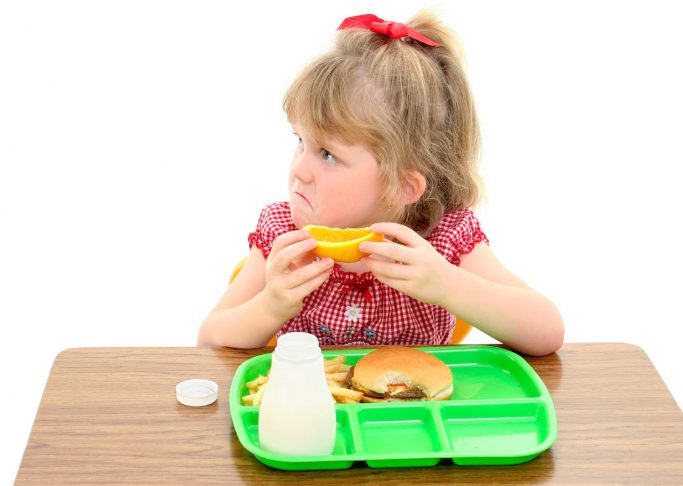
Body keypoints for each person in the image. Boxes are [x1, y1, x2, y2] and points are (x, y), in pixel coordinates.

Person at [198, 12, 564, 356]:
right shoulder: (284, 236)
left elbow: (546, 330)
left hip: (414, 420)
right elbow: (209, 341)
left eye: (327, 154)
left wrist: (448, 284)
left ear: (402, 187)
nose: (300, 170)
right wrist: (270, 306)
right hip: (316, 419)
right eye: (300, 141)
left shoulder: (444, 239)